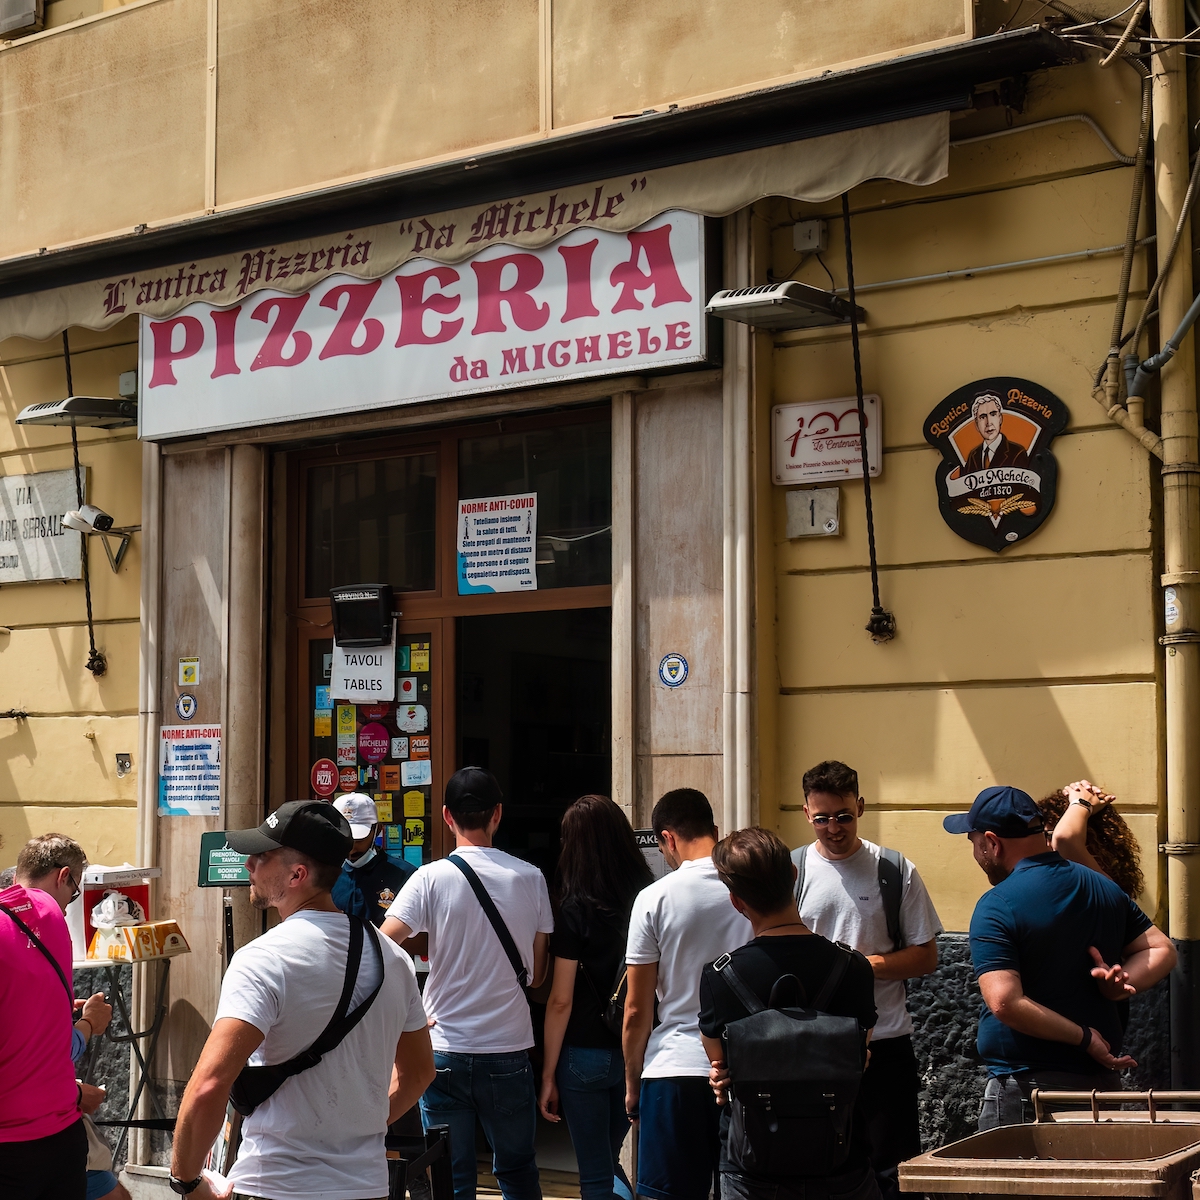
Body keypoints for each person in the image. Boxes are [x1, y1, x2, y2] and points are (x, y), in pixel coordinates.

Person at [169, 800, 435, 1200]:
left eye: (261, 857)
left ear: (297, 874)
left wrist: (186, 1182)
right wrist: (359, 1125)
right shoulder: (393, 958)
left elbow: (209, 1085)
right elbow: (418, 1073)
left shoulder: (262, 959)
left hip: (277, 1185)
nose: (248, 867)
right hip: (366, 1186)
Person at [943, 785, 1176, 1130]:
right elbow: (1162, 949)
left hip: (1028, 1092)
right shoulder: (1104, 887)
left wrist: (1084, 1037)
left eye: (974, 843)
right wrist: (1119, 986)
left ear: (992, 842)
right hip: (1100, 1090)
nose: (976, 854)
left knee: (1020, 1185)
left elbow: (1005, 1002)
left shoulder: (997, 905)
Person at [381, 767, 553, 1200]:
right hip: (509, 1047)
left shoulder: (430, 877)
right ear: (498, 814)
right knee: (517, 1171)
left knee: (450, 1178)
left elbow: (381, 946)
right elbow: (537, 973)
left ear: (445, 816)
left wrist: (410, 1010)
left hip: (443, 1049)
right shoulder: (531, 878)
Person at [700, 827, 880, 1200]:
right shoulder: (854, 968)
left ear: (736, 901)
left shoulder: (721, 977)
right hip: (840, 1161)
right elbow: (859, 1057)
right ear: (794, 877)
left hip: (753, 1168)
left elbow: (721, 1065)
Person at [792, 761, 942, 1200]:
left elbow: (927, 956)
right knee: (818, 1167)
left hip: (885, 1043)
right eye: (821, 818)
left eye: (843, 816)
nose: (833, 828)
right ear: (806, 813)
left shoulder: (895, 870)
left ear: (860, 807)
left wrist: (861, 966)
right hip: (812, 1041)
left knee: (891, 1170)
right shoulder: (791, 871)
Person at [623, 788, 753, 1200]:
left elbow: (637, 1009)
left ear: (668, 839)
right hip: (746, 1067)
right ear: (715, 830)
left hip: (673, 1068)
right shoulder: (754, 889)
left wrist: (631, 1084)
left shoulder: (653, 898)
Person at [538, 795, 652, 1200]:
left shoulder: (571, 908)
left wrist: (548, 1073)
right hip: (636, 1049)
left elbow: (561, 1000)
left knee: (596, 1173)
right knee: (607, 1159)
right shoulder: (647, 898)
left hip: (583, 1052)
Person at [0, 833, 113, 1200]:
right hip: (56, 1137)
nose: (68, 907)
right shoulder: (49, 915)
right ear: (64, 876)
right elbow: (58, 1049)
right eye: (74, 892)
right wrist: (88, 1024)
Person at [1039, 780, 1144, 899]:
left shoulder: (1103, 888)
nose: (1046, 843)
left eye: (1049, 835)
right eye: (1041, 835)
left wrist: (1081, 804)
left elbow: (1064, 838)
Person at [331, 792, 416, 926]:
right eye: (344, 838)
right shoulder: (324, 874)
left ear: (377, 830)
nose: (351, 848)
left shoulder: (405, 875)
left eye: (359, 839)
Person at [963, 393, 1029, 472]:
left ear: (1000, 418)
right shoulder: (973, 456)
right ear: (977, 424)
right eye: (983, 417)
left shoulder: (1017, 453)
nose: (988, 422)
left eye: (993, 414)